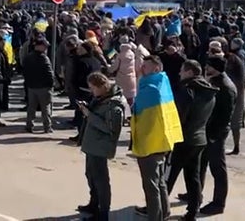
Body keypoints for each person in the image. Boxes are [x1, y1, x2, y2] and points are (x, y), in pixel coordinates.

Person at [132, 55, 183, 220]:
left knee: (151, 185)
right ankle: (165, 211)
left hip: (150, 143)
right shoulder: (163, 83)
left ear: (156, 69)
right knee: (160, 181)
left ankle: (155, 217)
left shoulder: (150, 88)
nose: (141, 69)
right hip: (164, 141)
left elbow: (137, 112)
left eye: (145, 66)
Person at [166, 59, 216, 221]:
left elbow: (179, 116)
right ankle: (192, 212)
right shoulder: (209, 91)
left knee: (168, 175)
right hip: (199, 138)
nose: (179, 73)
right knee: (193, 177)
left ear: (189, 72)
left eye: (182, 70)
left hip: (183, 139)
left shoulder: (187, 90)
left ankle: (157, 207)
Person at [76, 72, 125, 221]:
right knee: (90, 175)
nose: (92, 91)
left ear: (103, 86)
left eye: (93, 88)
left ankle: (103, 213)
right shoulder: (101, 99)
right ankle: (94, 203)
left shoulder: (113, 104)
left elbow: (111, 129)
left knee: (101, 180)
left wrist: (89, 115)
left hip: (101, 147)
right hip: (92, 145)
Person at [198, 55, 237, 216]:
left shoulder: (225, 87)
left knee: (218, 169)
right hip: (209, 131)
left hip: (216, 133)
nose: (206, 68)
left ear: (215, 67)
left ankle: (218, 203)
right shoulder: (217, 80)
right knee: (201, 163)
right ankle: (195, 193)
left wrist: (214, 135)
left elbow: (224, 115)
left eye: (208, 66)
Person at [22, 37, 54, 133]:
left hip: (32, 86)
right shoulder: (44, 58)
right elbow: (49, 73)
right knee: (46, 108)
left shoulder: (27, 57)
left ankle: (29, 125)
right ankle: (47, 127)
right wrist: (51, 85)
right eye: (44, 46)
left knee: (31, 107)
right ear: (39, 46)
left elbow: (24, 72)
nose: (46, 48)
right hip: (44, 87)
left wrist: (28, 83)